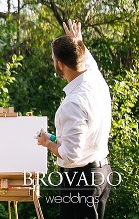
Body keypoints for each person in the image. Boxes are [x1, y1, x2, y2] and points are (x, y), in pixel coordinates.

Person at [36, 20, 112, 218]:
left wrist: (47, 143)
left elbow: (71, 155)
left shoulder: (72, 104)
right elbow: (87, 60)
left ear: (59, 64)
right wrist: (78, 41)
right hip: (101, 174)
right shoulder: (97, 80)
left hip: (81, 181)